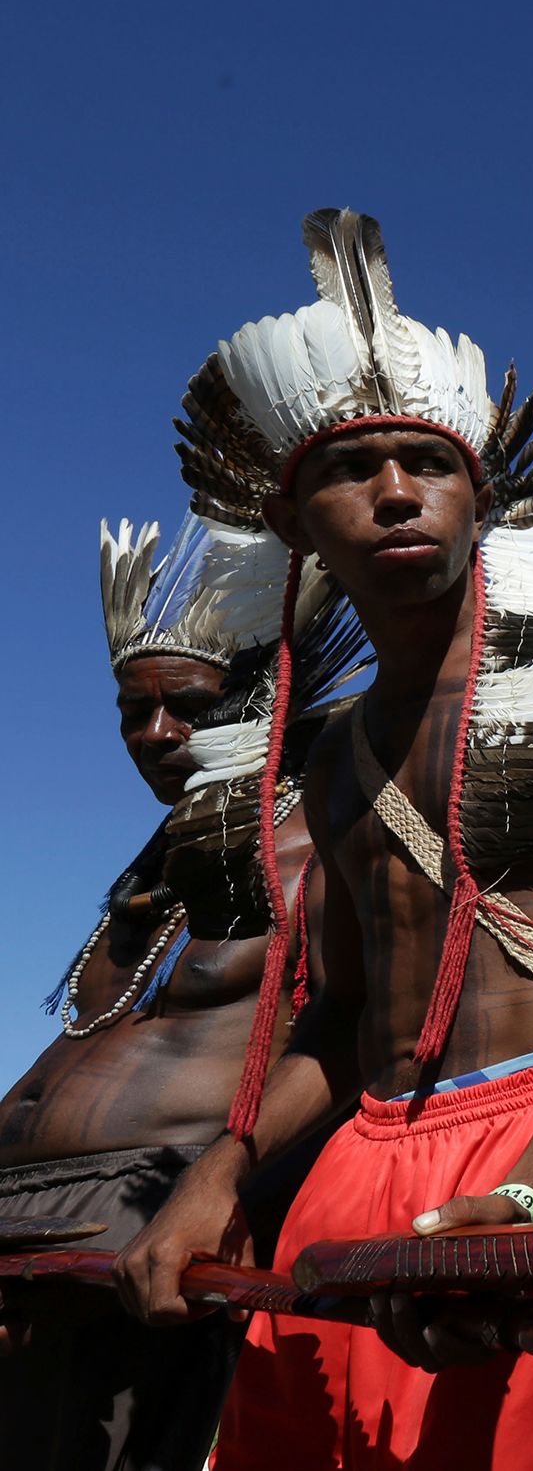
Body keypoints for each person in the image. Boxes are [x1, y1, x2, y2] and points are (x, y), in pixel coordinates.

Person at [112, 209, 533, 1471]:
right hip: (362, 1159)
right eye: (355, 468)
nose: (397, 493)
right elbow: (340, 1017)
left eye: (428, 463)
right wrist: (221, 1173)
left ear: (480, 492)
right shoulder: (334, 755)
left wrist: (526, 1188)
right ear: (295, 521)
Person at [0, 514, 356, 1469]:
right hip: (29, 1221)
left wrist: (222, 1184)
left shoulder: (329, 833)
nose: (154, 734)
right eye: (132, 710)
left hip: (150, 1222)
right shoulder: (158, 858)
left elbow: (361, 1035)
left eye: (189, 705)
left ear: (269, 693)